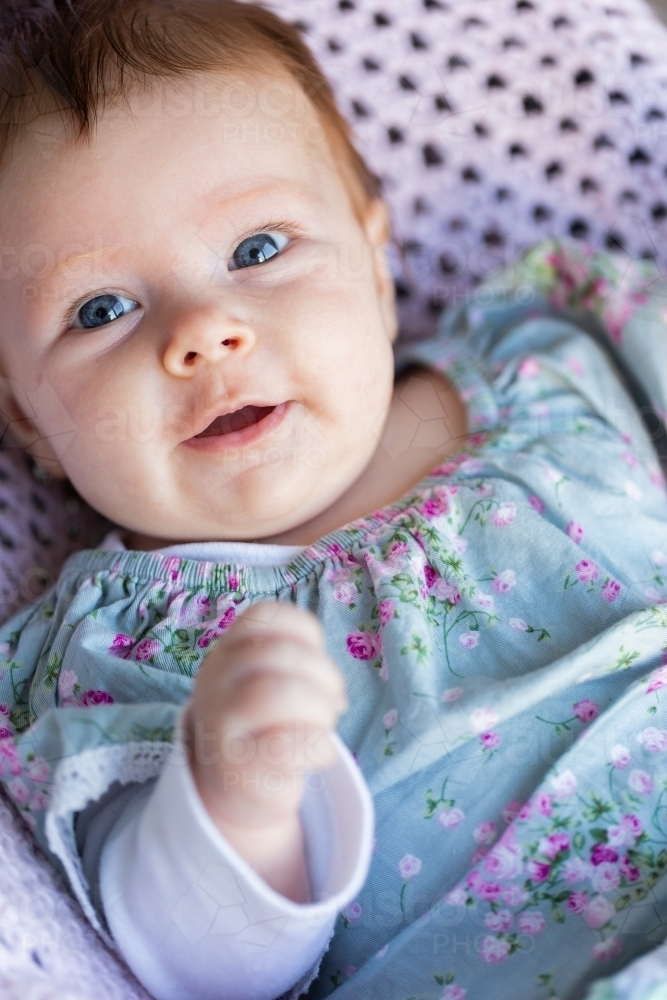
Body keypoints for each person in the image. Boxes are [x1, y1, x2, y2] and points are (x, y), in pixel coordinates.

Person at [1, 2, 667, 998]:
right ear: (26, 419)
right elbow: (192, 968)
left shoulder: (552, 355)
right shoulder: (112, 656)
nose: (206, 330)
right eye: (100, 310)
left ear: (376, 264)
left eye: (260, 248)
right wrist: (237, 797)